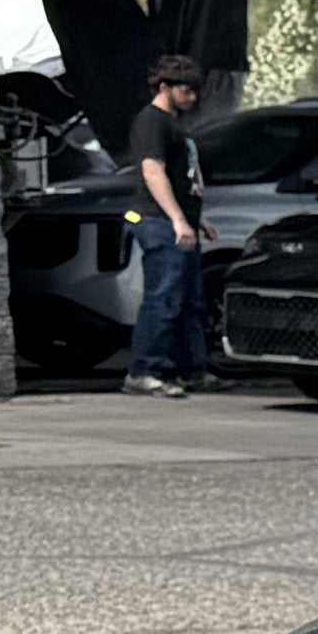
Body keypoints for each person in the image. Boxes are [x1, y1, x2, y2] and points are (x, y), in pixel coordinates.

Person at [124, 56, 218, 393]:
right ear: (164, 87)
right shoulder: (152, 122)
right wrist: (178, 220)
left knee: (190, 300)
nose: (193, 97)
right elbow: (152, 171)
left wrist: (196, 219)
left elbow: (181, 180)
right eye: (186, 90)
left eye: (195, 91)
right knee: (163, 298)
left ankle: (191, 369)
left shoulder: (172, 123)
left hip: (178, 223)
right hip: (159, 223)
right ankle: (143, 371)